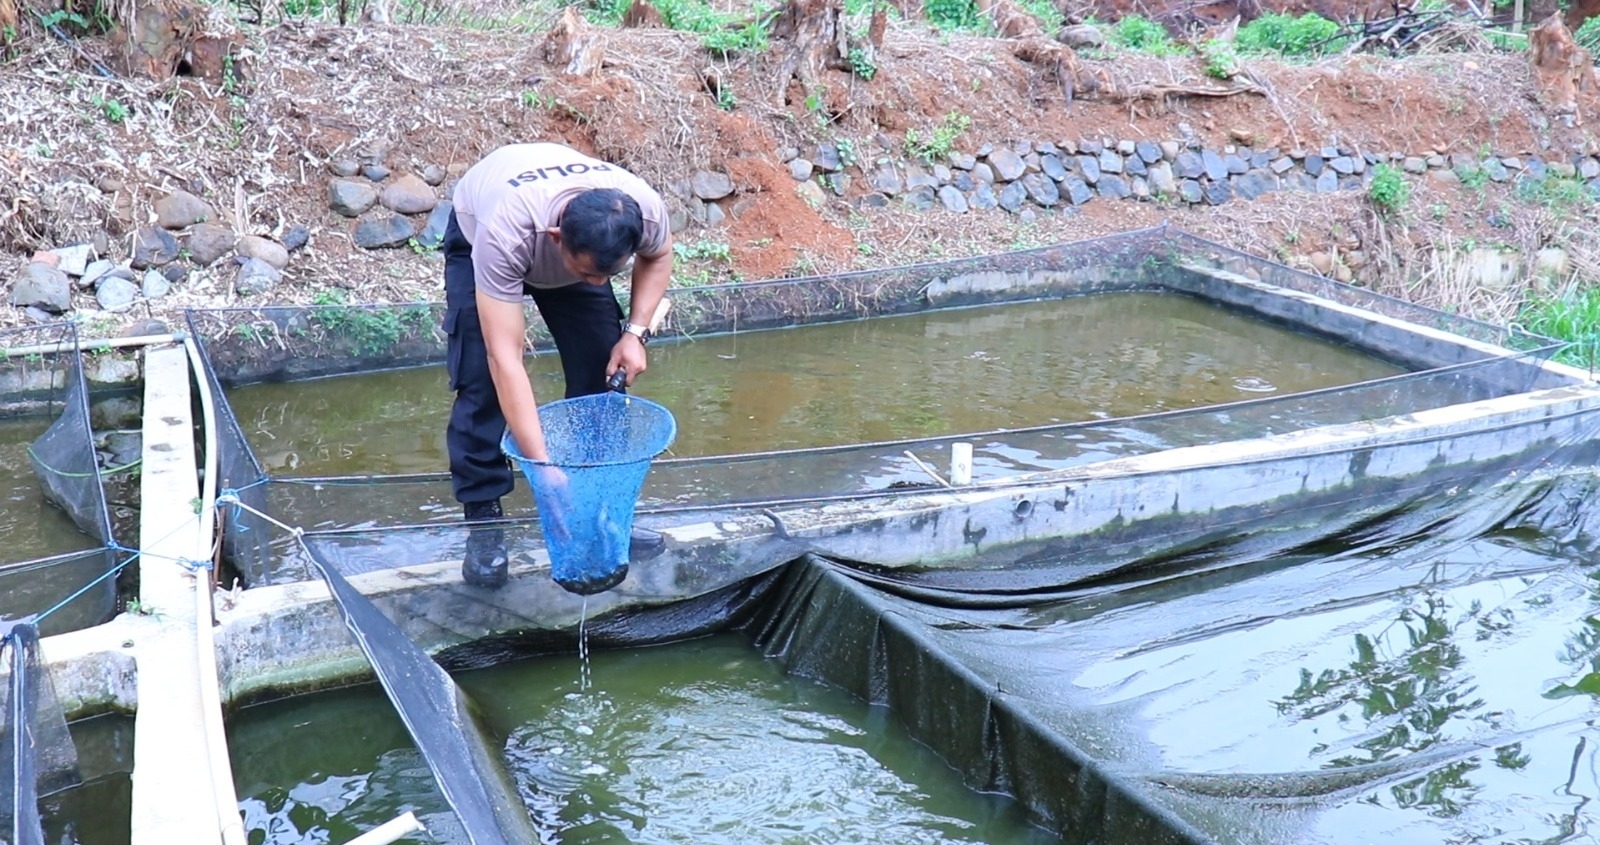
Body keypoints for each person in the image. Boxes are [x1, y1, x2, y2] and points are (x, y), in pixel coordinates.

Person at [442, 141, 674, 589]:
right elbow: (504, 357)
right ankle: (484, 520)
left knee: (601, 376)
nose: (599, 285)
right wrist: (543, 468)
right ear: (556, 240)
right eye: (590, 276)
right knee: (480, 381)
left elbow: (658, 256)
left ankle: (598, 510)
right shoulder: (506, 233)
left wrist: (634, 333)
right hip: (485, 234)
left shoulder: (639, 208)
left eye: (609, 275)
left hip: (579, 241)